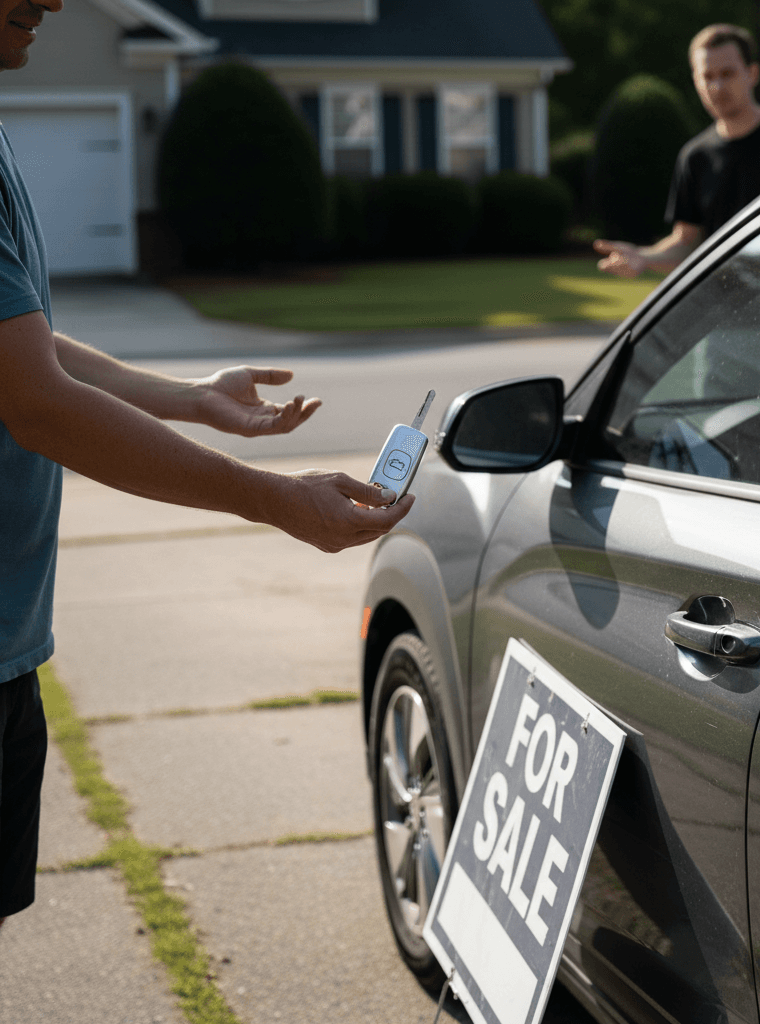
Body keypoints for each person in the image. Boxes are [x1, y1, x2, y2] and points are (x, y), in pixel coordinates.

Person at [0, 0, 412, 930]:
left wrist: (190, 395)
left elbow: (30, 349)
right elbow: (36, 404)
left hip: (9, 646)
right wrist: (275, 501)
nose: (58, 2)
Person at [594, 24, 760, 278]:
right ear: (696, 81)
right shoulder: (695, 157)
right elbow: (685, 242)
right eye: (708, 76)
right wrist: (643, 257)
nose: (717, 86)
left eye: (727, 73)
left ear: (752, 73)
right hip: (723, 309)